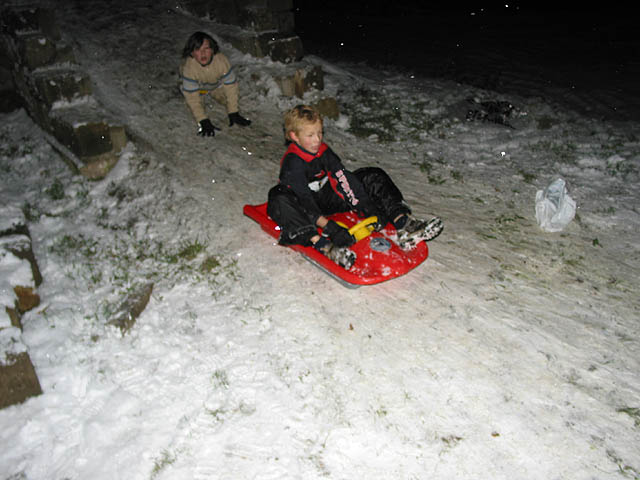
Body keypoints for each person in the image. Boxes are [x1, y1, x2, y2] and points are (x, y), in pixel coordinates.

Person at [267, 105, 443, 270]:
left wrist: (366, 207)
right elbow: (305, 200)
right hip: (303, 209)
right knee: (279, 197)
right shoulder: (293, 163)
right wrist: (330, 228)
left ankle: (403, 223)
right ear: (294, 136)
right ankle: (324, 246)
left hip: (324, 200)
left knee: (372, 175)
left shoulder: (323, 151)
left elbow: (342, 178)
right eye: (310, 135)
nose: (317, 140)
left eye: (320, 133)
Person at [180, 31, 251, 137]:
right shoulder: (189, 68)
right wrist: (203, 120)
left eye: (206, 49)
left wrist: (233, 112)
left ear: (213, 50)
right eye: (197, 50)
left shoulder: (221, 61)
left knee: (228, 100)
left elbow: (231, 87)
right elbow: (192, 98)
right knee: (192, 106)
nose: (203, 54)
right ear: (191, 53)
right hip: (198, 88)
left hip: (215, 85)